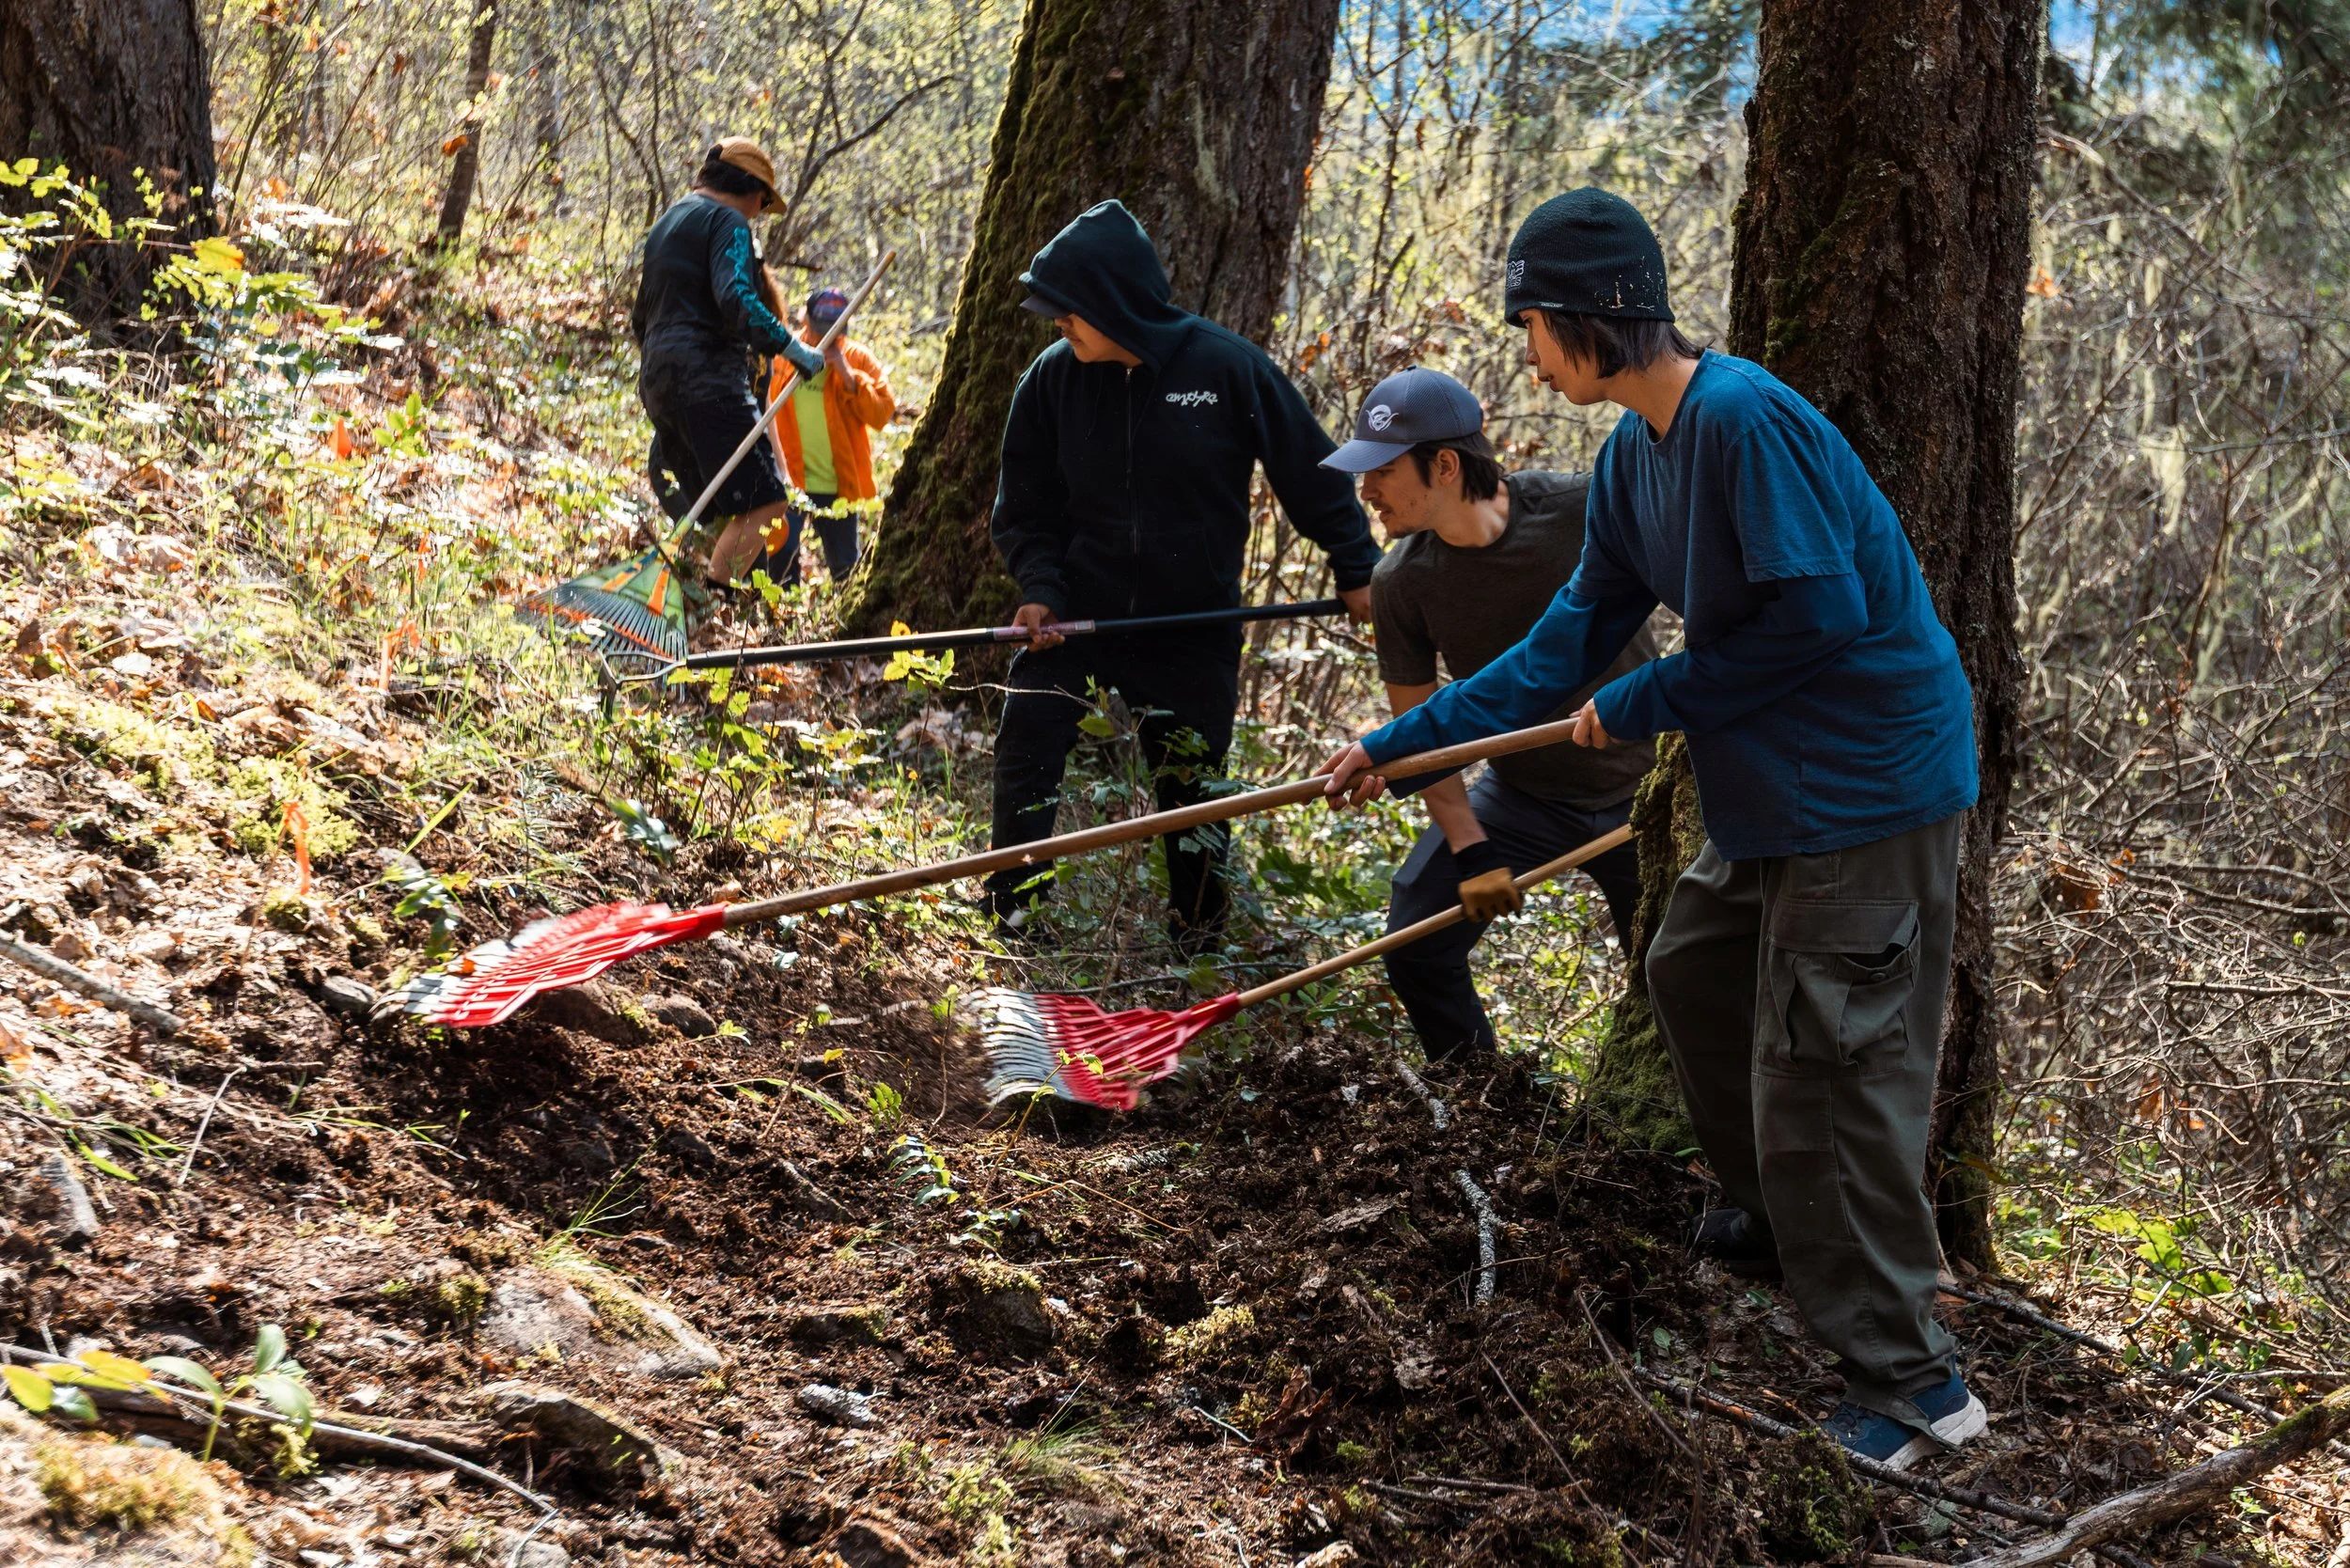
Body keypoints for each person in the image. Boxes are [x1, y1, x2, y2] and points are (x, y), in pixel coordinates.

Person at [1320, 189, 1985, 1470]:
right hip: (1774, 795)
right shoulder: (1635, 456)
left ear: (1588, 320)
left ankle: (1918, 1385)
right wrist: (1401, 744)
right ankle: (1790, 1222)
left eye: (1530, 325)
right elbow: (1562, 643)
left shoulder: (1742, 422)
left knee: (1831, 1072)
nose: (1523, 353)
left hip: (1867, 787)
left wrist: (1646, 698)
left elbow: (1817, 619)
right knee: (1690, 970)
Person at [986, 199, 1380, 951]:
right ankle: (1013, 912)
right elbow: (1024, 503)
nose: (1057, 327)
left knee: (1194, 794)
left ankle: (1198, 949)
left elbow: (1313, 470)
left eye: (1067, 313)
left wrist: (1356, 565)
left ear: (1111, 303)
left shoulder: (1227, 368)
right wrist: (1040, 589)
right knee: (1026, 738)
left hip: (1192, 623)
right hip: (1079, 613)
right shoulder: (1051, 381)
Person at [1318, 366, 1653, 1062]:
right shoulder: (1401, 581)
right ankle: (1485, 1103)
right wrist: (1471, 848)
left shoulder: (1581, 507)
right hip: (1526, 795)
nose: (1366, 491)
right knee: (1416, 940)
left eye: (1381, 470)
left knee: (1668, 968)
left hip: (1645, 791)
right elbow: (1420, 739)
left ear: (1443, 465)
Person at [628, 138, 823, 591]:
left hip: (658, 380)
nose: (758, 212)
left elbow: (642, 316)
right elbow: (736, 296)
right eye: (762, 200)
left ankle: (690, 607)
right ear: (750, 188)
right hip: (709, 380)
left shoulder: (667, 223)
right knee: (765, 502)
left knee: (717, 510)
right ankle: (713, 611)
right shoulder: (728, 221)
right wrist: (790, 347)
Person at [760, 284, 898, 585]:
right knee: (781, 560)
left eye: (836, 329)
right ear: (805, 320)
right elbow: (761, 408)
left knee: (846, 568)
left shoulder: (858, 358)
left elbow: (882, 413)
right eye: (821, 328)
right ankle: (781, 625)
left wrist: (847, 374)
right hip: (790, 482)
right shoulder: (783, 356)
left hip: (840, 486)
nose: (829, 336)